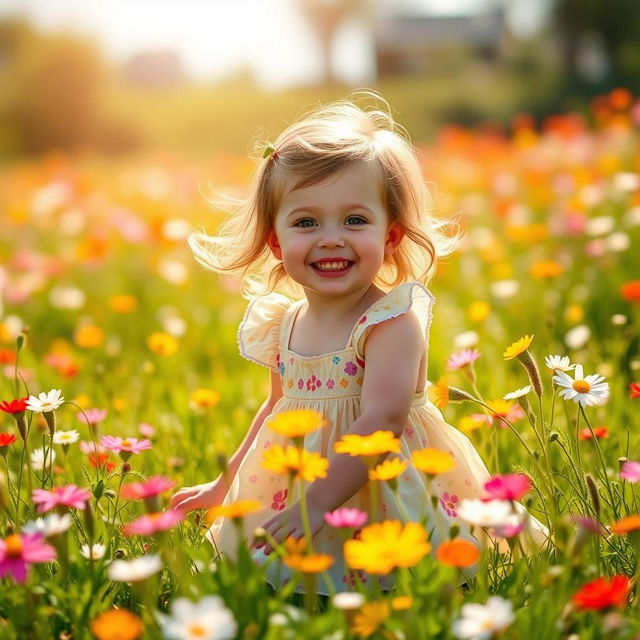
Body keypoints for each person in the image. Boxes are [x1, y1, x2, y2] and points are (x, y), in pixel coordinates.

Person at [170, 90, 548, 594]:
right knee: (276, 583)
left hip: (381, 487)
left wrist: (320, 503)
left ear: (390, 237)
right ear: (277, 242)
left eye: (355, 220)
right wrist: (227, 482)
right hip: (299, 487)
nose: (331, 238)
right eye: (307, 222)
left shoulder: (389, 322)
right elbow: (274, 408)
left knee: (397, 582)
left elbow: (383, 422)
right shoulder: (284, 322)